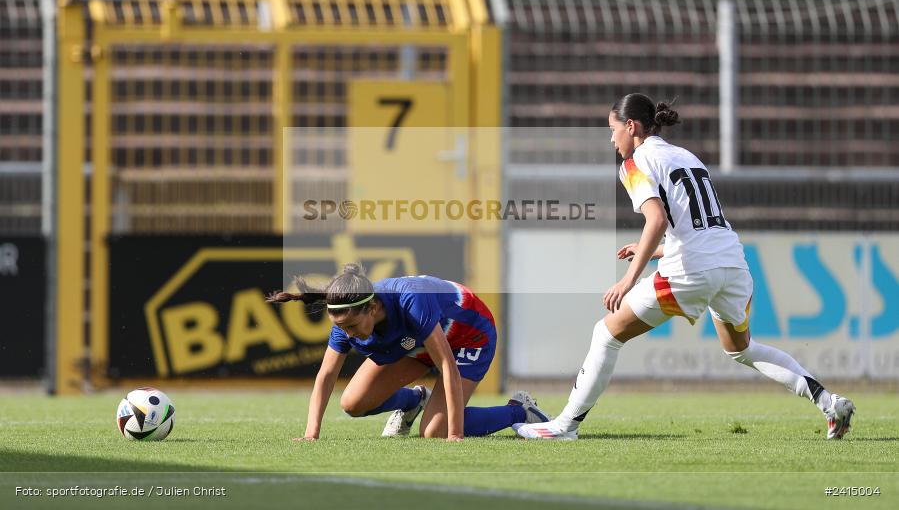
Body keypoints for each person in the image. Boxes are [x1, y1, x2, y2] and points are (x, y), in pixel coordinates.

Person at [514, 92, 855, 441]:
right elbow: (696, 224)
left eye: (612, 129)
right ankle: (829, 402)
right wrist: (657, 252)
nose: (611, 139)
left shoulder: (633, 163)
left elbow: (657, 219)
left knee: (606, 334)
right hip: (732, 264)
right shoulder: (686, 156)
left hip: (691, 270)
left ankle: (564, 426)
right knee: (742, 349)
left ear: (630, 126)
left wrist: (628, 280)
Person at [267, 264, 549, 440]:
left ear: (373, 308)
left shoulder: (412, 302)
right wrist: (311, 434)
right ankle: (414, 401)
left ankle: (519, 411)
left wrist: (454, 434)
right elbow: (326, 376)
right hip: (417, 345)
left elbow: (446, 364)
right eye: (342, 328)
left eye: (352, 326)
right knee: (352, 403)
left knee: (434, 432)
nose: (348, 334)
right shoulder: (346, 320)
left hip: (468, 337)